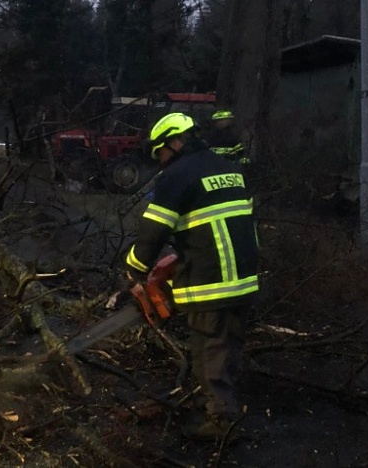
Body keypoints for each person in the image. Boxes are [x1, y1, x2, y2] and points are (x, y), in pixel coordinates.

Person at [124, 112, 259, 441]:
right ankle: (215, 402)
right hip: (245, 278)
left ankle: (222, 423)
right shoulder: (230, 169)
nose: (160, 161)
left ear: (175, 142)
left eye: (161, 152)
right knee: (227, 347)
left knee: (208, 348)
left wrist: (135, 270)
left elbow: (153, 231)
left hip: (212, 282)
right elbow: (226, 224)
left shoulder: (176, 176)